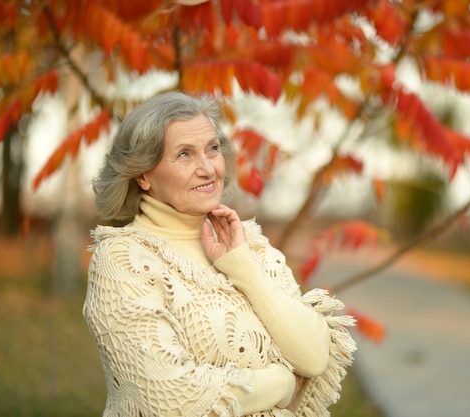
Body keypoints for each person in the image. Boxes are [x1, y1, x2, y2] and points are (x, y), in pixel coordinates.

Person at [83, 91, 357, 417]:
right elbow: (165, 399)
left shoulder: (248, 243)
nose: (208, 168)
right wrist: (280, 383)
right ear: (142, 175)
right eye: (184, 154)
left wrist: (242, 266)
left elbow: (313, 357)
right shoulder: (123, 259)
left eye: (212, 148)